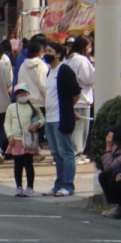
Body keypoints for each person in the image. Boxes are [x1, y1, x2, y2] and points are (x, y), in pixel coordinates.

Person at [42, 41, 81, 196]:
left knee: (66, 152)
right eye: (45, 50)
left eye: (50, 50)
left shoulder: (64, 70)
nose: (47, 53)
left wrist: (68, 108)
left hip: (60, 118)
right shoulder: (49, 72)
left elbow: (76, 92)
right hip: (50, 118)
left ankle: (68, 185)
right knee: (56, 154)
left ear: (58, 54)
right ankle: (58, 184)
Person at [4, 83, 44, 197]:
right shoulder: (11, 107)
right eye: (20, 93)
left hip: (29, 140)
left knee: (28, 163)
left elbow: (42, 119)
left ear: (28, 93)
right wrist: (9, 135)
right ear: (16, 96)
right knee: (17, 164)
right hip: (16, 140)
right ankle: (19, 187)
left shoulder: (34, 107)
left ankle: (30, 187)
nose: (22, 95)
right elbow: (7, 122)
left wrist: (38, 123)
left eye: (24, 93)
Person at [66, 35, 95, 160]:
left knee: (75, 130)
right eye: (89, 46)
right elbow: (89, 78)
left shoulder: (69, 59)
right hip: (82, 99)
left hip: (72, 99)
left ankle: (75, 153)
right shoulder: (81, 60)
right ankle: (77, 154)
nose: (90, 49)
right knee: (80, 130)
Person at [15, 40, 49, 106]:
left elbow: (20, 83)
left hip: (25, 102)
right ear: (39, 52)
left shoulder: (23, 65)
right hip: (39, 103)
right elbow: (43, 85)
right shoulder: (41, 65)